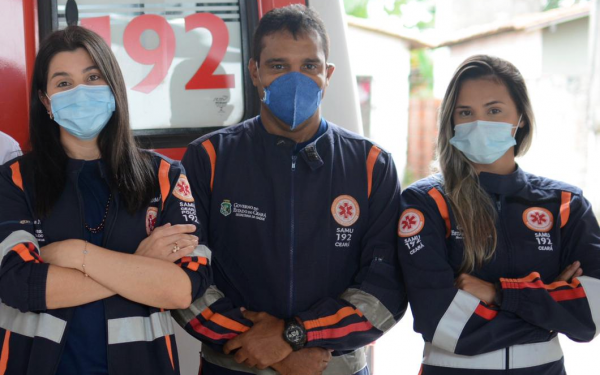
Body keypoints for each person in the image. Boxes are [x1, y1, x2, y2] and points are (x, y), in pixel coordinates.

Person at [175, 5, 407, 375]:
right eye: (278, 66)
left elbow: (384, 291)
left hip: (332, 368)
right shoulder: (208, 159)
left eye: (310, 66)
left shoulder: (372, 166)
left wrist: (294, 336)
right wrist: (269, 348)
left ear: (328, 74)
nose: (295, 80)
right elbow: (185, 281)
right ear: (255, 72)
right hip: (234, 366)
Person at [0, 26, 211, 375]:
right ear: (45, 100)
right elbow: (18, 285)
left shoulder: (165, 176)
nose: (80, 92)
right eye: (63, 83)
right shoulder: (14, 180)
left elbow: (182, 288)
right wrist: (140, 263)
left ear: (113, 87)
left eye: (93, 76)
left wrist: (74, 255)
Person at [398, 54, 600, 375]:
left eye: (494, 110)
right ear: (451, 121)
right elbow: (444, 324)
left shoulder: (565, 204)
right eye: (465, 112)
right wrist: (552, 312)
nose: (479, 123)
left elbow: (591, 315)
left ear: (520, 117)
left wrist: (500, 294)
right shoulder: (426, 202)